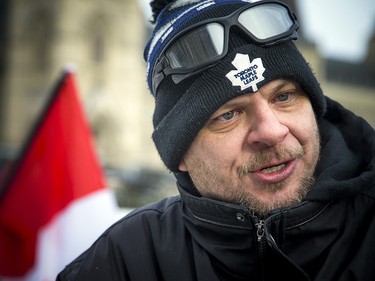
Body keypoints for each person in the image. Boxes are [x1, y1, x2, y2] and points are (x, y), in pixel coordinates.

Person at [57, 0, 375, 280]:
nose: (272, 131)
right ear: (179, 151)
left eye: (284, 96)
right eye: (227, 115)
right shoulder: (122, 260)